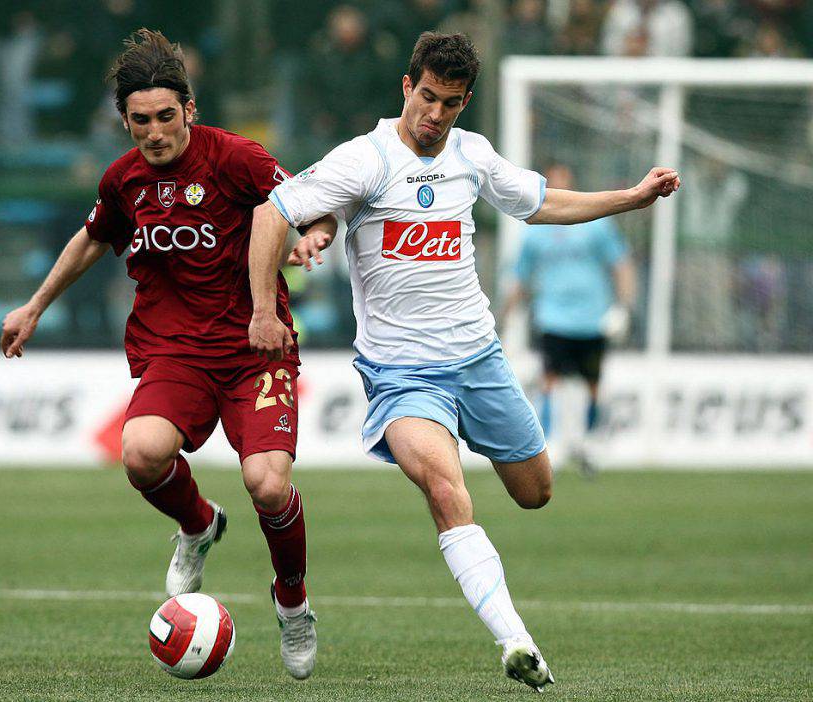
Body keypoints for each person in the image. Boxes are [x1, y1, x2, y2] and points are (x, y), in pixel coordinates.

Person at [247, 32, 679, 691]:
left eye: (450, 102)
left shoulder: (472, 155)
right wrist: (264, 311)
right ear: (405, 87)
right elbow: (270, 214)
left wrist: (631, 197)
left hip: (479, 359)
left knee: (536, 493)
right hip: (403, 376)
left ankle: (497, 516)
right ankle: (516, 641)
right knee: (449, 492)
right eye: (426, 97)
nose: (435, 113)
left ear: (465, 101)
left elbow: (543, 205)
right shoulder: (365, 159)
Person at [0, 29, 329, 680]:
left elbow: (303, 204)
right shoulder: (124, 180)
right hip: (176, 348)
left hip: (256, 347)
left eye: (166, 117)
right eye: (140, 121)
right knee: (142, 453)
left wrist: (313, 235)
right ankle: (199, 524)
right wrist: (35, 305)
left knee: (268, 484)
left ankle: (292, 603)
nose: (154, 133)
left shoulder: (235, 158)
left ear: (190, 110)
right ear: (125, 122)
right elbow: (94, 240)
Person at [500, 163, 636, 474]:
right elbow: (520, 276)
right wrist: (504, 317)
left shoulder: (595, 225)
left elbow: (621, 264)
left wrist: (624, 307)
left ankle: (589, 444)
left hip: (592, 318)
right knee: (550, 381)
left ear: (571, 182)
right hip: (553, 318)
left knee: (592, 385)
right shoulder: (534, 231)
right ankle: (550, 444)